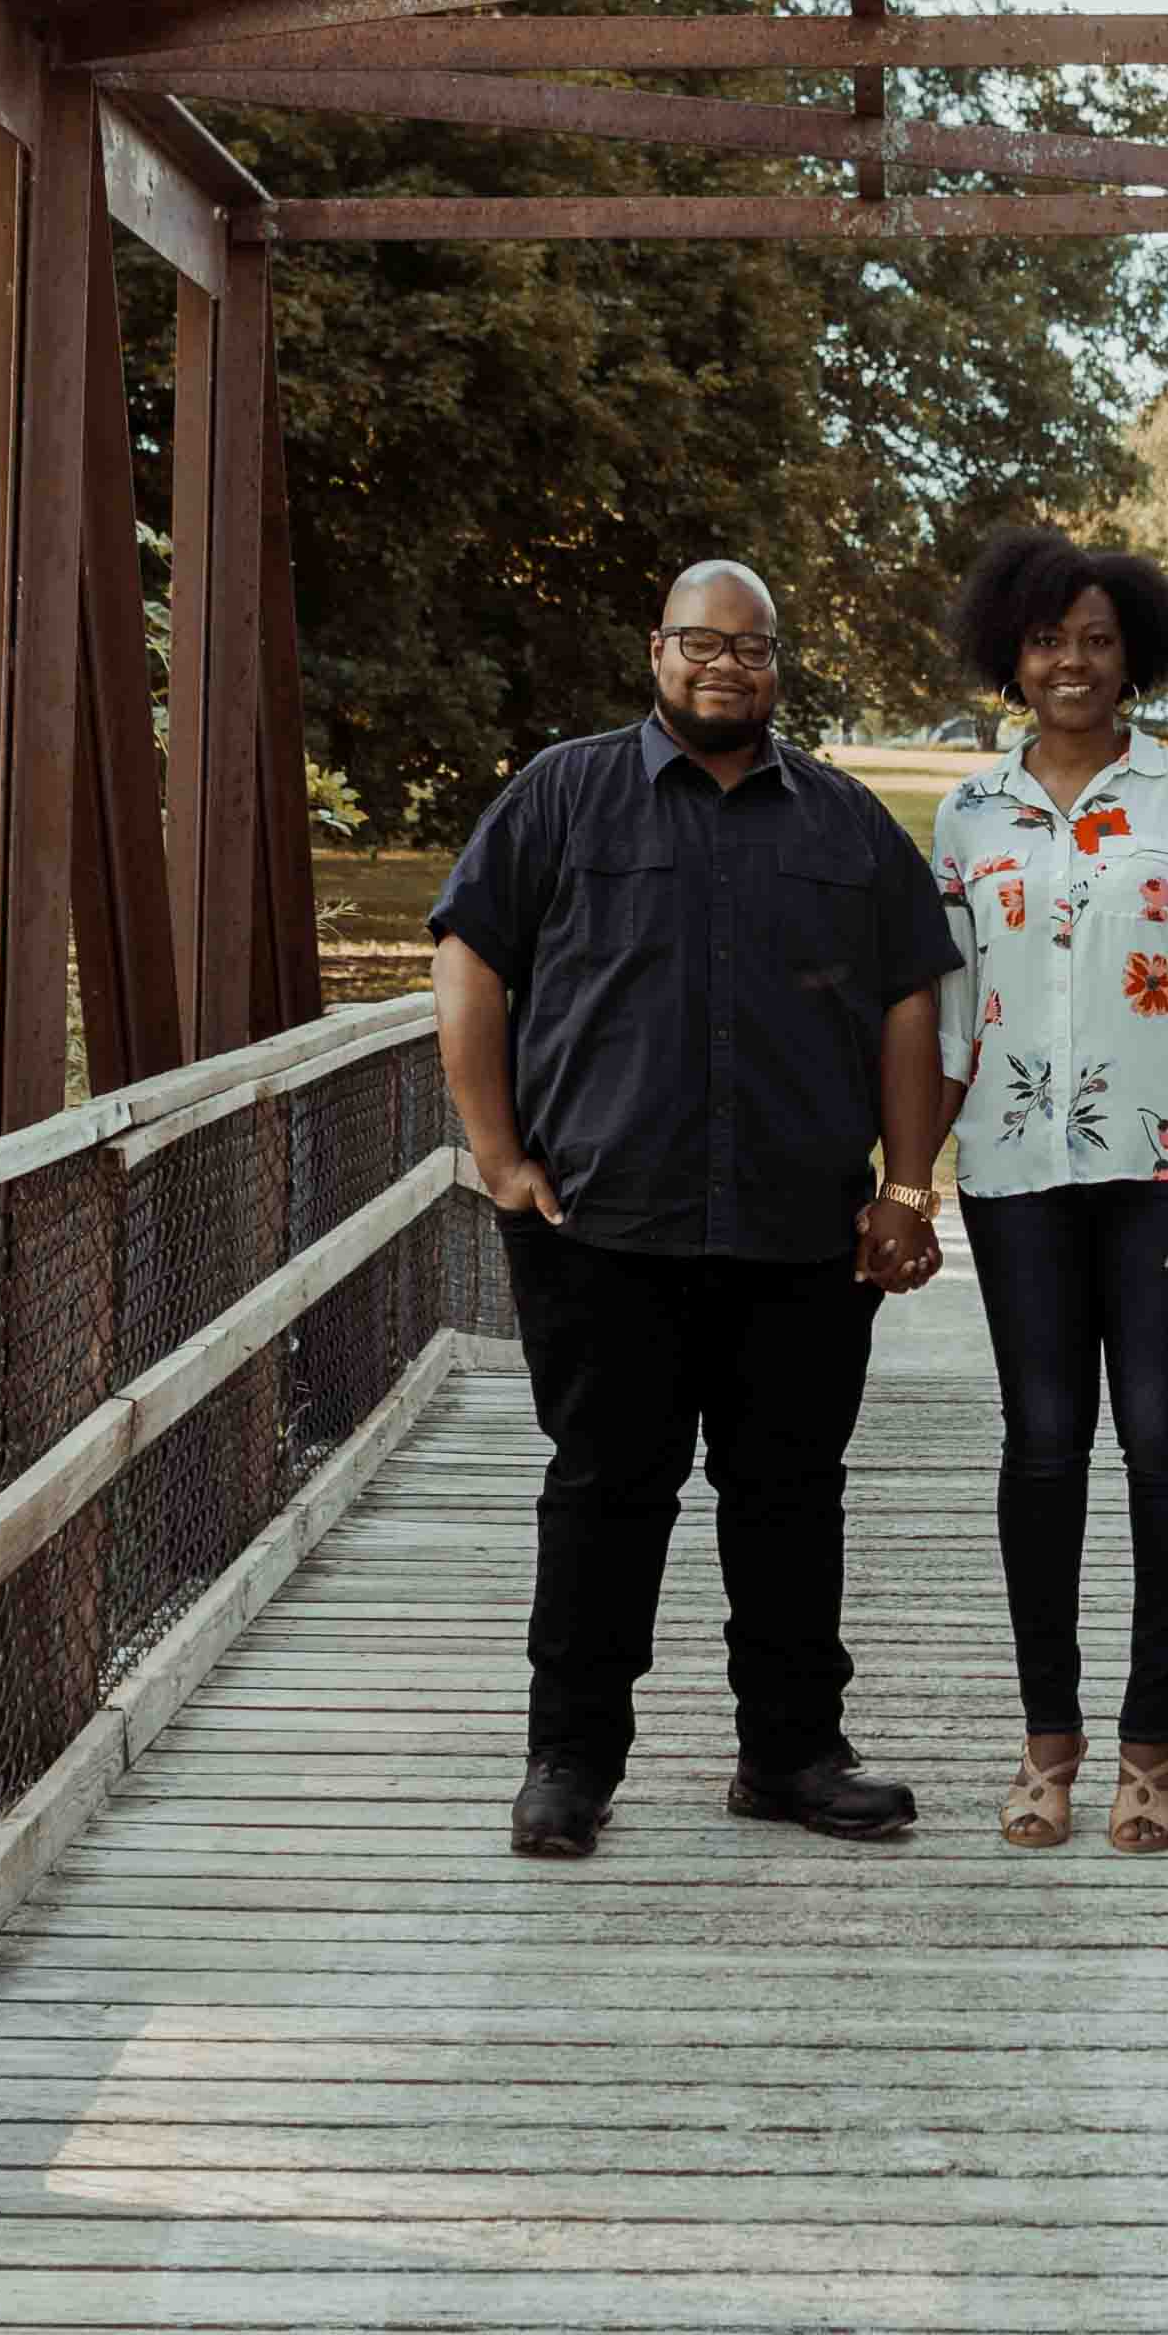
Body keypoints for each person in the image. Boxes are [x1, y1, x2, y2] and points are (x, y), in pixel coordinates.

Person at [428, 560, 957, 1859]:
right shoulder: (562, 795)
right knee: (608, 1492)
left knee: (790, 1498)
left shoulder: (844, 824)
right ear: (654, 649)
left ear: (780, 665)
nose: (726, 664)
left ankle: (790, 1756)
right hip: (605, 1225)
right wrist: (497, 1156)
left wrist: (906, 1183)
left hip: (800, 1232)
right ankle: (570, 1763)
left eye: (753, 646)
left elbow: (912, 1002)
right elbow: (470, 960)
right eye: (699, 642)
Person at [923, 522, 1168, 1855]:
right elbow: (949, 1020)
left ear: (1133, 657)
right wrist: (904, 1184)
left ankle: (1151, 1752)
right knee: (1045, 1446)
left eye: (1098, 640)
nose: (1073, 662)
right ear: (1010, 656)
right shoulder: (966, 814)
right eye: (1048, 640)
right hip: (1016, 1178)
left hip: (1166, 1173)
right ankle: (1048, 1749)